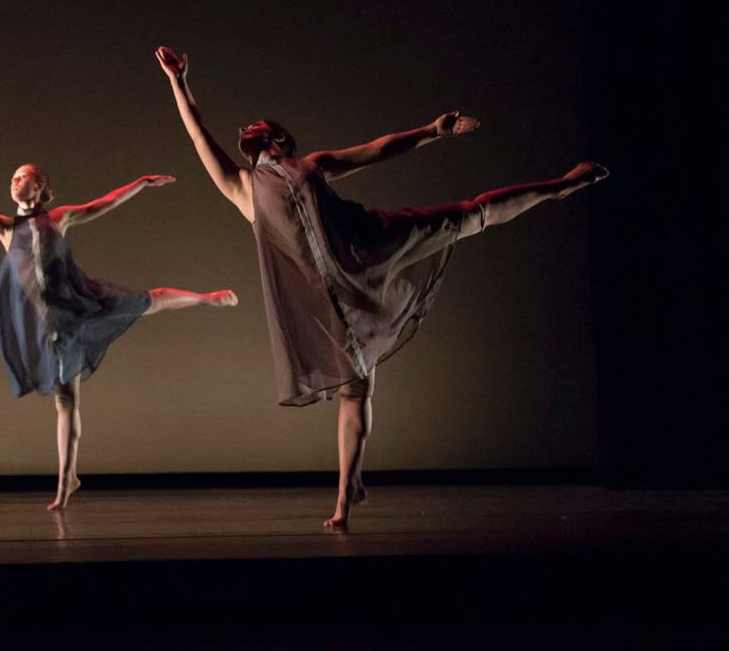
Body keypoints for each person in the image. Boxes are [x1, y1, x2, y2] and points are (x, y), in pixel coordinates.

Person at [155, 45, 608, 528]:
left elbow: (376, 150)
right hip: (328, 297)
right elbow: (198, 134)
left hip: (370, 247)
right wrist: (179, 83)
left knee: (468, 215)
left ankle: (560, 185)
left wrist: (431, 132)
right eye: (246, 135)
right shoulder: (242, 188)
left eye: (259, 130)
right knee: (355, 391)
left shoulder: (311, 163)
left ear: (280, 138)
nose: (248, 135)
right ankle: (345, 502)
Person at [0, 165, 237, 509]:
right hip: (51, 326)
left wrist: (141, 182)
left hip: (80, 307)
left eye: (23, 175)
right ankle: (68, 478)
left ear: (39, 185)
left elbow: (104, 204)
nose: (14, 180)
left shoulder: (58, 218)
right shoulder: (5, 228)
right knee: (66, 403)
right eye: (12, 176)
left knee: (150, 299)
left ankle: (206, 298)